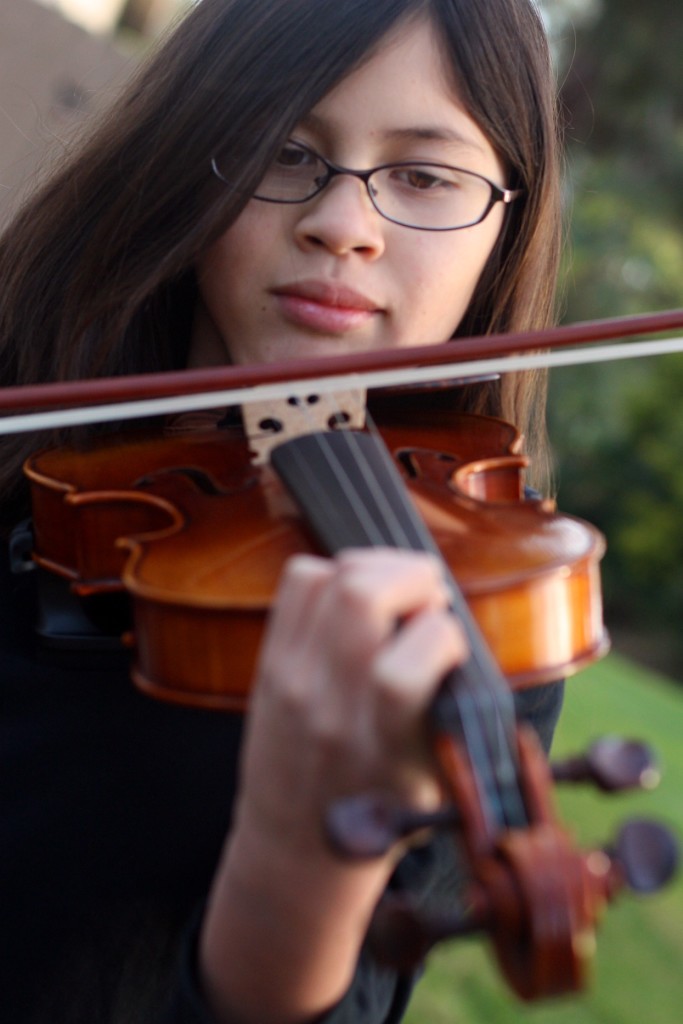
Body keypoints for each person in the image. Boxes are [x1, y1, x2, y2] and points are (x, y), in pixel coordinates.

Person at [0, 1, 566, 1022]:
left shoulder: (479, 620)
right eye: (284, 149)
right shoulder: (27, 429)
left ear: (503, 226)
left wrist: (297, 873)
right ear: (186, 158)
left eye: (424, 176)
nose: (342, 226)